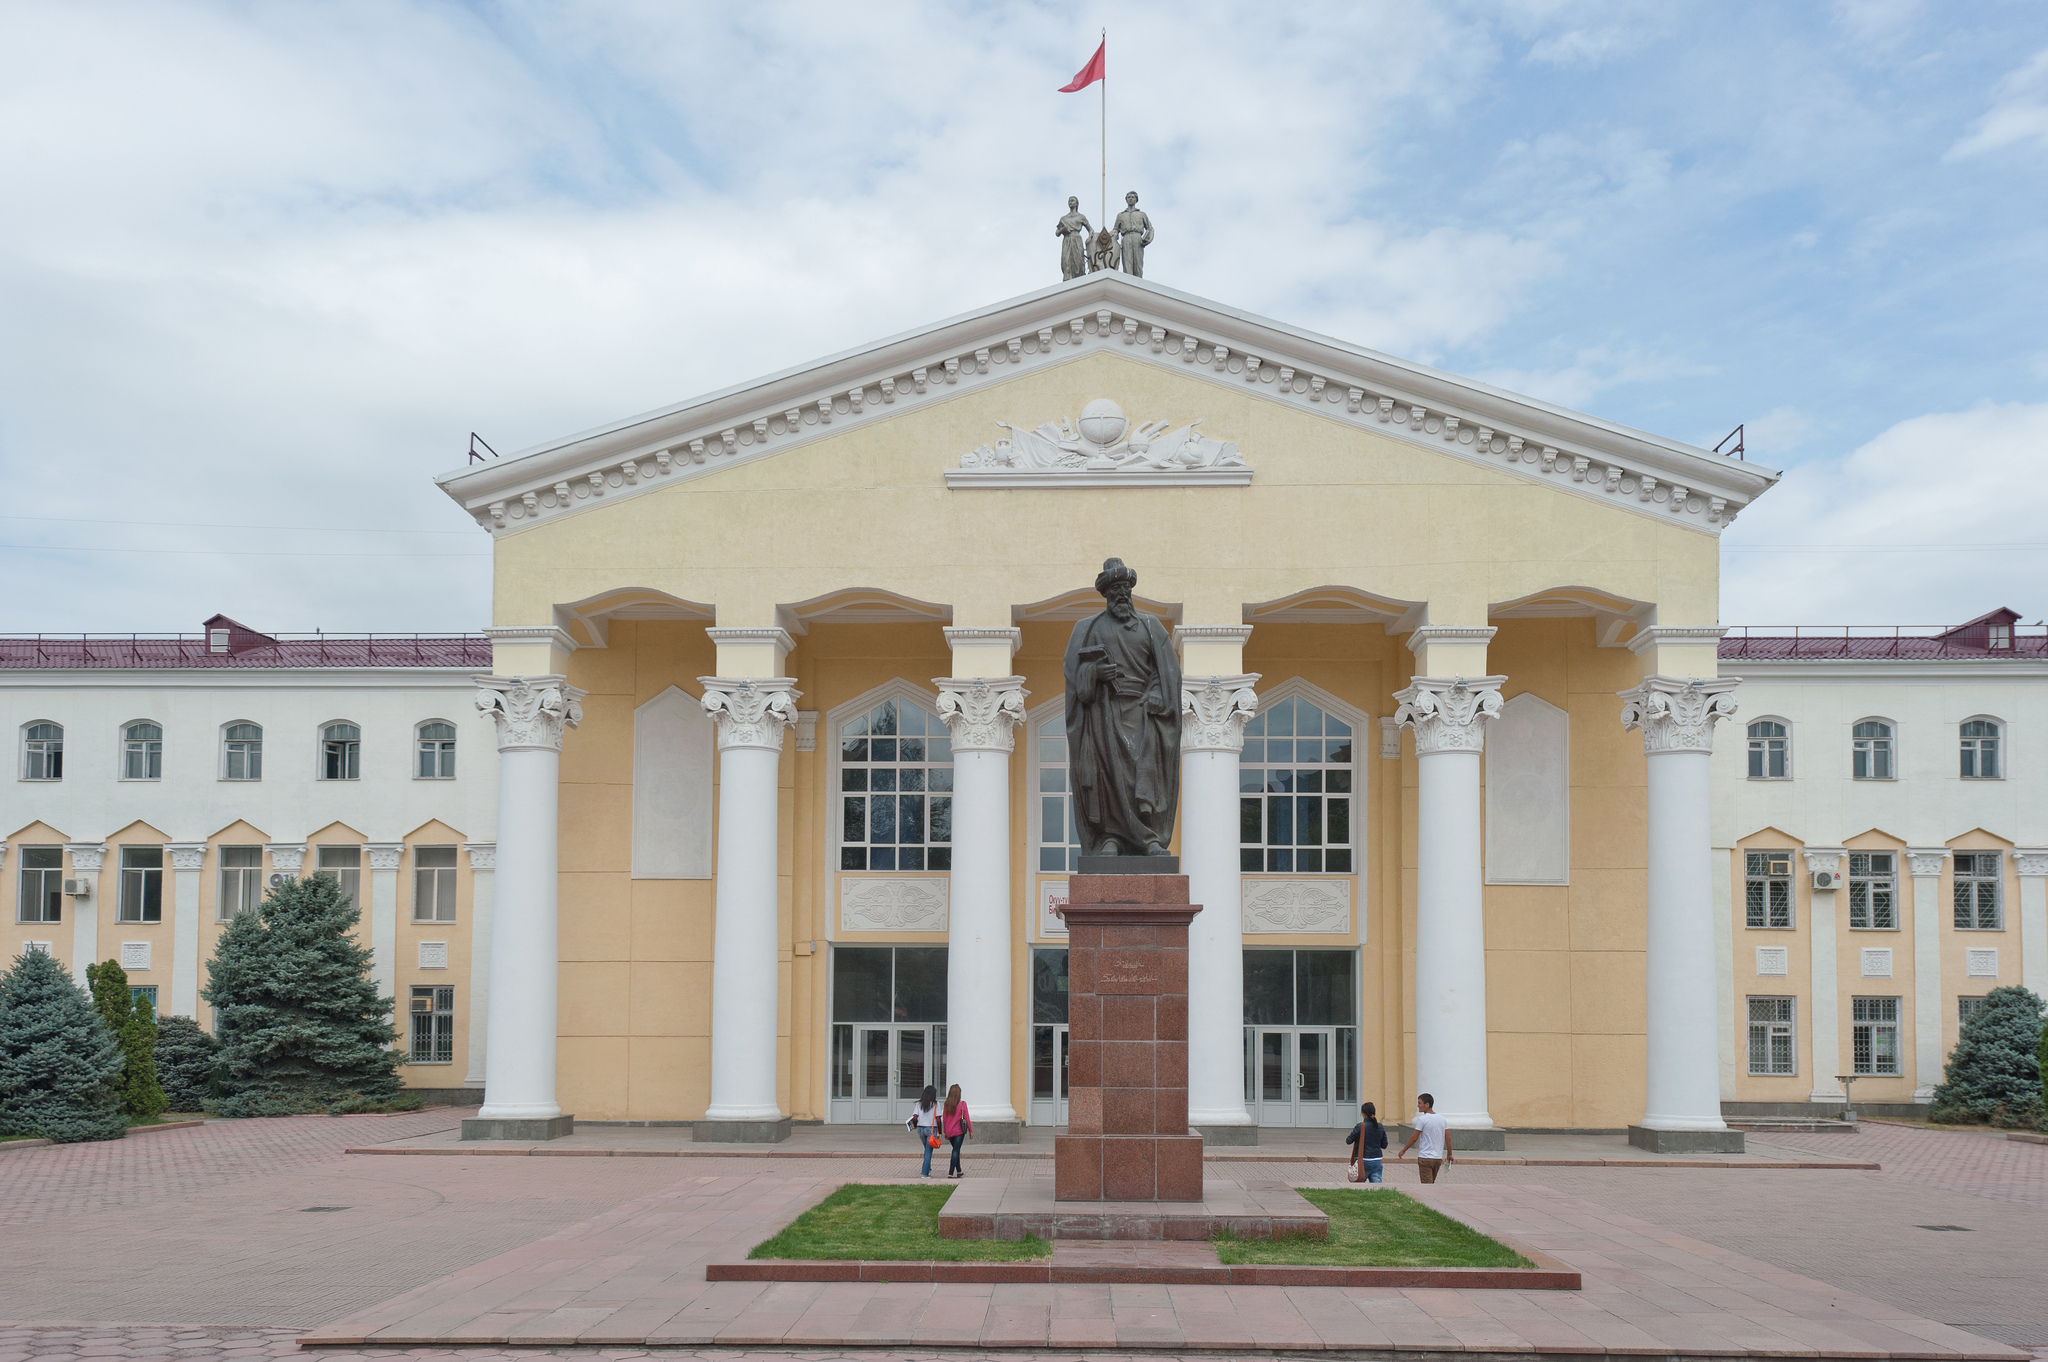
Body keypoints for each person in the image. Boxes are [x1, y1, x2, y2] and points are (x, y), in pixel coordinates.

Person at [1395, 1092, 1452, 1183]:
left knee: (1427, 1186)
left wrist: (1404, 1150)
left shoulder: (1422, 1119)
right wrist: (1449, 1154)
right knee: (1431, 1183)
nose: (1418, 1106)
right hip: (1437, 1158)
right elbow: (1448, 1138)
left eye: (1419, 1103)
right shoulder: (1442, 1119)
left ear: (1427, 1104)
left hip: (1425, 1157)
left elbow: (1414, 1138)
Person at [1346, 1101, 1388, 1184]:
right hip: (1377, 1159)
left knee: (1359, 1187)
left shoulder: (1360, 1126)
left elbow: (1348, 1141)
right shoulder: (1380, 1126)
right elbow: (1384, 1145)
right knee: (1377, 1187)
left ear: (1363, 1114)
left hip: (1362, 1161)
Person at [906, 1085, 940, 1177]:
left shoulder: (919, 1104)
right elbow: (938, 1118)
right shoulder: (936, 1104)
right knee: (928, 1151)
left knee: (927, 1149)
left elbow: (915, 1117)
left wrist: (915, 1125)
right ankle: (924, 1173)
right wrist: (939, 1132)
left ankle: (928, 1169)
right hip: (931, 1129)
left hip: (921, 1130)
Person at [940, 1083, 973, 1178]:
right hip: (959, 1132)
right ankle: (950, 1172)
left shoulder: (946, 1104)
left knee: (956, 1150)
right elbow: (966, 1118)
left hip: (950, 1131)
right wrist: (970, 1130)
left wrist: (945, 1131)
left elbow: (945, 1119)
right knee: (955, 1150)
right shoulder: (962, 1104)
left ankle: (959, 1171)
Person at [1056, 197, 1092, 281]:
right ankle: (1067, 280)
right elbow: (1057, 233)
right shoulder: (1064, 218)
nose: (1070, 202)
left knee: (1078, 261)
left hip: (1077, 239)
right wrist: (1062, 230)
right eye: (1069, 201)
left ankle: (1079, 279)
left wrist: (1089, 238)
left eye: (1072, 201)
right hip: (1067, 239)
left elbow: (1090, 229)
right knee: (1066, 261)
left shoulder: (1081, 217)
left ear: (1076, 203)